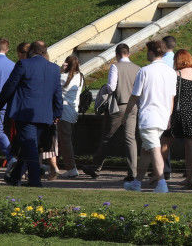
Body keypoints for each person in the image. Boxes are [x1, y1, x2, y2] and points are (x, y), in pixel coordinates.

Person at [0, 40, 61, 188]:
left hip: (25, 113)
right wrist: (57, 113)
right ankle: (15, 177)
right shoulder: (54, 69)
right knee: (31, 146)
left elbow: (9, 87)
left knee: (30, 146)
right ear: (44, 52)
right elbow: (57, 93)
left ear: (31, 51)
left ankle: (35, 181)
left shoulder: (24, 64)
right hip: (45, 114)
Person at [126, 38, 177, 193]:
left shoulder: (145, 71)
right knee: (146, 151)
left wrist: (126, 114)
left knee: (154, 150)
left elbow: (135, 96)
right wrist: (168, 117)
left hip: (149, 117)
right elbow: (171, 98)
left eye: (147, 51)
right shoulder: (171, 72)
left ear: (152, 52)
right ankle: (137, 182)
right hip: (162, 117)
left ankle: (162, 183)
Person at [84, 43, 139, 181]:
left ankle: (96, 167)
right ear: (128, 53)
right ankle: (133, 172)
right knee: (130, 139)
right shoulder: (138, 68)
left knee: (107, 137)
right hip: (133, 106)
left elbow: (111, 87)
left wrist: (105, 89)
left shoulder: (115, 66)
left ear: (117, 54)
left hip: (118, 106)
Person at [164, 49, 192, 189]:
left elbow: (171, 96)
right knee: (191, 143)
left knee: (165, 142)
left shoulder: (176, 75)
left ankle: (160, 174)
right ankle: (191, 176)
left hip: (177, 112)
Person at [53, 54, 83, 178]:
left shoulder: (62, 77)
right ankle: (65, 166)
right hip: (73, 111)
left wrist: (61, 69)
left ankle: (71, 167)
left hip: (63, 111)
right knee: (65, 140)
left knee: (64, 141)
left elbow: (54, 83)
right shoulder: (80, 76)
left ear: (67, 64)